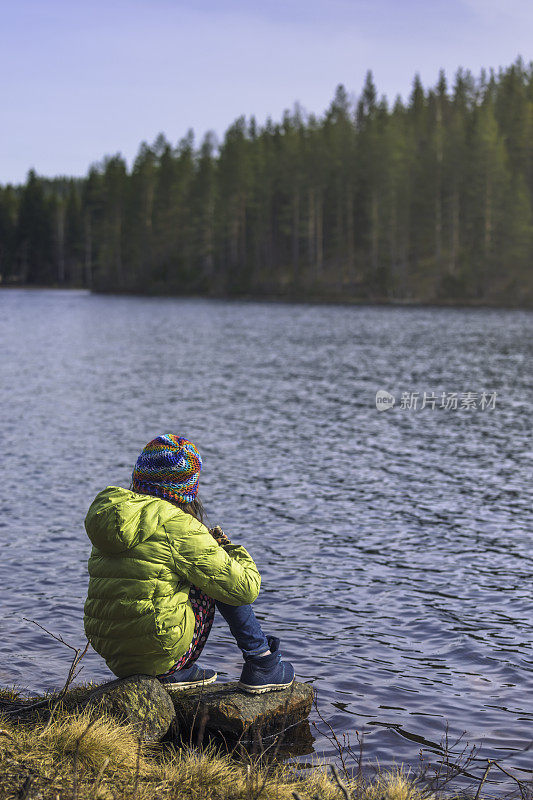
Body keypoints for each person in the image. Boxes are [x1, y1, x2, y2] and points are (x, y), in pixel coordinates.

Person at [83, 434, 295, 693]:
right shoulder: (178, 525)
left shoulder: (113, 515)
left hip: (114, 652)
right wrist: (226, 550)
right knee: (219, 577)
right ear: (186, 488)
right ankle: (262, 662)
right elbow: (245, 588)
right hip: (157, 650)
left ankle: (176, 672)